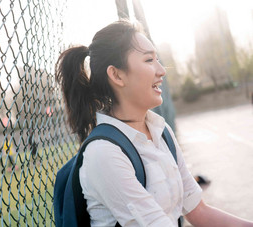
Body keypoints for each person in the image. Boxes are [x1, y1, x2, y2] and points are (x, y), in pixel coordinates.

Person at [55, 20, 253, 227]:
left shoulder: (161, 130)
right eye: (149, 60)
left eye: (157, 59)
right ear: (116, 75)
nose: (162, 70)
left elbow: (198, 211)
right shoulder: (103, 152)